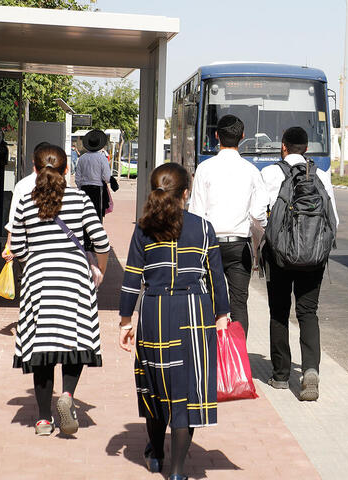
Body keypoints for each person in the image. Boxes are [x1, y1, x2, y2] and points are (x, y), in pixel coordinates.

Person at [119, 163, 230, 479]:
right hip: (195, 312)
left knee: (155, 384)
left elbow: (132, 278)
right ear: (185, 193)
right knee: (186, 391)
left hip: (155, 310)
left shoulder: (144, 229)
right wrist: (222, 314)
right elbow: (216, 278)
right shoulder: (204, 228)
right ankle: (178, 472)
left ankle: (156, 454)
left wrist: (125, 321)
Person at [7, 144, 109, 436]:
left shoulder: (26, 201)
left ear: (35, 168)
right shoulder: (80, 199)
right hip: (74, 278)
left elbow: (18, 247)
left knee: (42, 347)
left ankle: (42, 419)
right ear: (67, 169)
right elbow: (101, 241)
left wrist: (36, 259)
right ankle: (67, 395)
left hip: (38, 278)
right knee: (74, 340)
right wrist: (100, 270)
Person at [260, 126, 339, 401]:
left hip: (279, 257)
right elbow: (334, 220)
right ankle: (310, 370)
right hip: (313, 258)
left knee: (279, 312)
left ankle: (281, 376)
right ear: (306, 149)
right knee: (308, 312)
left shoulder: (270, 173)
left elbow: (258, 214)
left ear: (283, 146)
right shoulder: (321, 175)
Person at [189, 114, 270, 336]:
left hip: (210, 245)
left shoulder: (205, 168)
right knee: (239, 303)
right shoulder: (252, 171)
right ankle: (237, 353)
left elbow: (196, 213)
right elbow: (258, 215)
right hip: (239, 246)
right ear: (242, 136)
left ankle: (212, 350)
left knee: (209, 300)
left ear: (217, 136)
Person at [74, 129, 112, 220]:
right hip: (98, 190)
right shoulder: (102, 158)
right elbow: (107, 178)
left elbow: (77, 177)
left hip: (84, 189)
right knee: (97, 215)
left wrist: (80, 187)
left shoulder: (82, 158)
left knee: (84, 215)